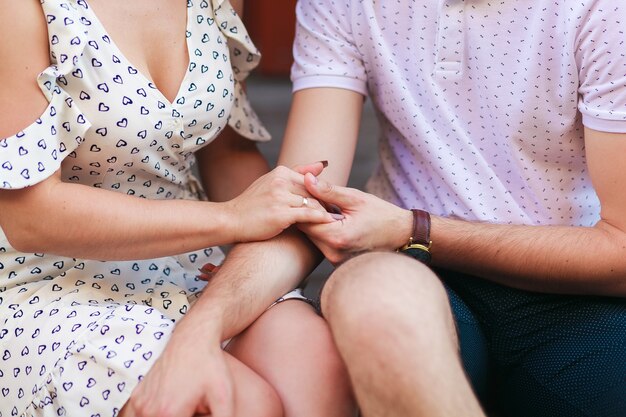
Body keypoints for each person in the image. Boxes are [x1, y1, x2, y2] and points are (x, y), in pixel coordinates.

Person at [260, 1, 625, 416]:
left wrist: (414, 229)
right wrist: (206, 328)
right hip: (416, 279)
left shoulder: (605, 11)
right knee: (373, 295)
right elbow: (300, 199)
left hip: (578, 290)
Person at [0, 1, 354, 416]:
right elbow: (31, 217)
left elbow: (229, 153)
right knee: (239, 405)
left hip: (194, 263)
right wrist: (233, 218)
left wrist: (285, 220)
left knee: (316, 365)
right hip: (43, 280)